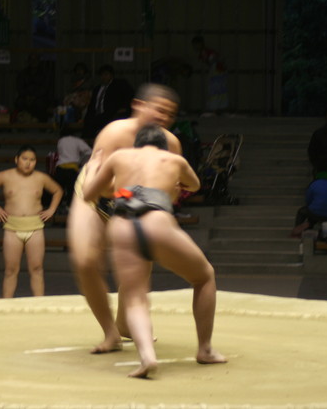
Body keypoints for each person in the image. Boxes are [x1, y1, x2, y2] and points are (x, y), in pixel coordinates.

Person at [82, 125, 226, 378]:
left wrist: (94, 168)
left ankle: (147, 356)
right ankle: (205, 349)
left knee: (135, 297)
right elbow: (194, 185)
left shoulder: (119, 157)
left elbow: (89, 194)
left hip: (122, 224)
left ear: (137, 144)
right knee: (204, 277)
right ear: (163, 146)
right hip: (156, 221)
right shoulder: (174, 159)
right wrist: (173, 184)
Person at [67, 83, 182, 354]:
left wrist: (163, 197)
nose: (164, 117)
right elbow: (101, 186)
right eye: (159, 110)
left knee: (139, 263)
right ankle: (110, 333)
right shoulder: (115, 133)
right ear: (138, 105)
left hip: (138, 202)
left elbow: (173, 188)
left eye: (170, 114)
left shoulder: (171, 144)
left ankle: (125, 324)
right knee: (85, 261)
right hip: (94, 195)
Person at [0, 145, 63, 298]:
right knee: (10, 270)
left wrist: (51, 209)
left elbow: (58, 190)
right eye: (25, 159)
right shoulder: (5, 175)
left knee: (37, 269)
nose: (28, 163)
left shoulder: (41, 177)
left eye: (32, 160)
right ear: (17, 159)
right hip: (12, 227)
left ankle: (39, 306)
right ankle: (6, 305)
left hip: (35, 227)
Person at [82, 65, 134, 139]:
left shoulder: (118, 85)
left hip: (110, 114)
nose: (104, 77)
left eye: (106, 74)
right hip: (96, 114)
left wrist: (125, 107)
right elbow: (92, 104)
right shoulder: (97, 88)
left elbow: (129, 95)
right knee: (88, 124)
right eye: (102, 75)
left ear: (111, 75)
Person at [291, 171, 327, 237]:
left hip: (316, 212)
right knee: (314, 213)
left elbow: (308, 199)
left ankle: (297, 231)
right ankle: (309, 225)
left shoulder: (314, 184)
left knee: (302, 212)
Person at [55, 126, 92, 209]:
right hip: (72, 169)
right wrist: (82, 161)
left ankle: (57, 208)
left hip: (60, 168)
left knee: (59, 189)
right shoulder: (77, 141)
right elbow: (89, 152)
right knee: (71, 190)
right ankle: (69, 208)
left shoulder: (60, 141)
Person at [191, 35, 228, 115]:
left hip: (217, 72)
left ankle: (216, 109)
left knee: (216, 90)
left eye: (196, 45)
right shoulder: (204, 53)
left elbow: (216, 60)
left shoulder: (206, 52)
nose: (195, 47)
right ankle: (218, 109)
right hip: (217, 72)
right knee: (217, 90)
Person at [14, 54, 54, 123]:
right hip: (25, 97)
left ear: (39, 61)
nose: (33, 62)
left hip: (40, 97)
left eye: (35, 60)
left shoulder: (45, 73)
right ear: (28, 61)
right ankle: (22, 122)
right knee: (19, 102)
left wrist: (35, 96)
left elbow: (45, 88)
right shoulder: (22, 73)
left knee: (40, 104)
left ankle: (40, 123)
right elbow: (20, 87)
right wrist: (27, 96)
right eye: (31, 60)